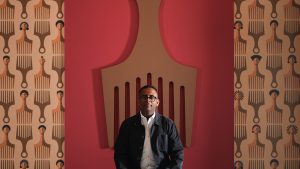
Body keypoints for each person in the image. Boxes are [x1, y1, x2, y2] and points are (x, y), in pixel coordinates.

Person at [114, 85, 184, 169]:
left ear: (157, 102)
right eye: (144, 97)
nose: (148, 100)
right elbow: (120, 154)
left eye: (151, 97)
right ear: (139, 101)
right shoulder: (127, 125)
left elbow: (178, 153)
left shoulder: (168, 124)